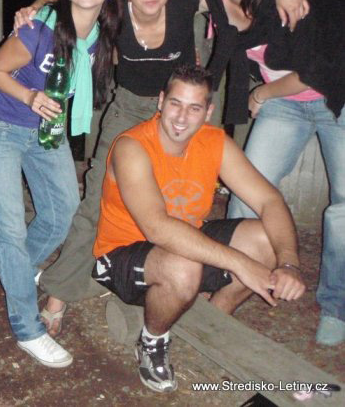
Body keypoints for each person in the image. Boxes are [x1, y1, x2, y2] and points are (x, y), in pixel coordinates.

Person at [14, 0, 308, 337]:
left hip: (181, 110)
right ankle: (60, 293)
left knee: (174, 197)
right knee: (97, 198)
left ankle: (171, 280)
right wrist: (34, 7)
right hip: (129, 108)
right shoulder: (113, 7)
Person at [91, 64, 306, 392]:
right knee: (184, 266)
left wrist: (289, 262)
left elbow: (269, 201)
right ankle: (152, 340)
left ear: (208, 112)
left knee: (265, 240)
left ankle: (213, 319)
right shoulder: (131, 147)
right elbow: (158, 228)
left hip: (184, 243)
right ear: (161, 101)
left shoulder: (215, 142)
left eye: (194, 108)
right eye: (175, 103)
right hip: (122, 254)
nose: (181, 117)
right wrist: (240, 264)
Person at [192, 0, 345, 346]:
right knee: (245, 190)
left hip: (336, 96)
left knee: (343, 208)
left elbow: (316, 71)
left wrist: (260, 94)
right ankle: (230, 280)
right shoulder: (218, 2)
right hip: (284, 105)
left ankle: (336, 306)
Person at [0, 0, 121, 368]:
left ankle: (17, 269)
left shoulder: (103, 33)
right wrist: (30, 96)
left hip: (46, 131)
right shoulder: (40, 29)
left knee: (63, 213)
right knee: (9, 228)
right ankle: (27, 328)